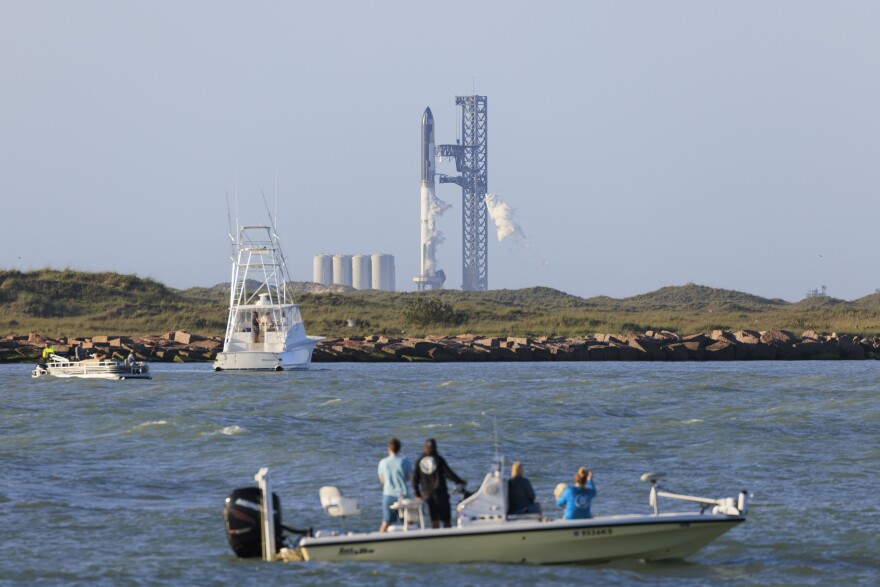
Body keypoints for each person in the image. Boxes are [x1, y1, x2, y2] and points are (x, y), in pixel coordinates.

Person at [412, 438, 466, 528]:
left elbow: (414, 481)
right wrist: (460, 481)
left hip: (427, 495)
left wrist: (418, 494)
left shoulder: (419, 461)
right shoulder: (439, 459)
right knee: (447, 521)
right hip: (441, 495)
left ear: (424, 447)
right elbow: (449, 474)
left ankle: (435, 539)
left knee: (434, 521)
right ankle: (448, 540)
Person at [377, 437, 412, 532]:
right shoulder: (405, 462)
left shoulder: (383, 462)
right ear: (399, 449)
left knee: (386, 522)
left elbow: (382, 480)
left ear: (388, 448)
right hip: (403, 495)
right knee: (408, 523)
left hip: (388, 494)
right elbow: (408, 478)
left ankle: (380, 542)